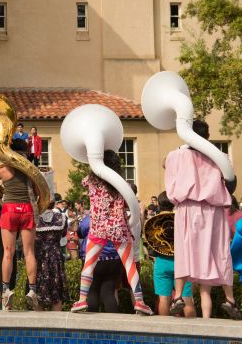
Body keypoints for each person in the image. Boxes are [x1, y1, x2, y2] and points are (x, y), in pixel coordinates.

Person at [165, 120, 240, 320]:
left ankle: (178, 296)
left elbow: (169, 179)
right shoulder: (221, 157)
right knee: (220, 251)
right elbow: (231, 183)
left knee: (184, 251)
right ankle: (230, 298)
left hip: (188, 207)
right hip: (214, 209)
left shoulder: (177, 155)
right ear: (207, 136)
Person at [71, 150, 152, 315]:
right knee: (130, 266)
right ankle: (140, 302)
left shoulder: (91, 180)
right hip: (119, 228)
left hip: (98, 228)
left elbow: (84, 181)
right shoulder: (122, 184)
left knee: (89, 265)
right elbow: (129, 203)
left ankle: (81, 300)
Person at [0, 139, 40, 311]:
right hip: (27, 209)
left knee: (8, 252)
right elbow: (38, 192)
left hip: (9, 210)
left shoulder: (4, 169)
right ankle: (32, 290)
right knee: (29, 252)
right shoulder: (31, 170)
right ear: (25, 151)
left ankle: (6, 289)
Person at [150, 192, 196, 318]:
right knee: (187, 298)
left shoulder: (153, 221)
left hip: (161, 262)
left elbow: (152, 245)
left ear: (159, 204)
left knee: (164, 298)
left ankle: (165, 331)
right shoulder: (181, 219)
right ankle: (193, 329)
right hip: (182, 264)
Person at [32, 201, 68, 311]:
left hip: (38, 257)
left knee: (37, 292)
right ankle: (57, 327)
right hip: (55, 257)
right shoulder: (61, 217)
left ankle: (38, 326)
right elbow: (63, 234)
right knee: (56, 293)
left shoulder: (34, 218)